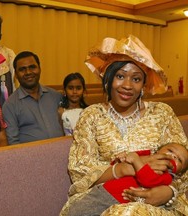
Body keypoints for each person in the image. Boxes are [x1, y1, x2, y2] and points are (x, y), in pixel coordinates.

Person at [60, 35, 188, 216]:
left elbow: (184, 166)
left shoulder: (162, 113)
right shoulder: (91, 115)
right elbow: (80, 171)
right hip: (103, 200)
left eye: (136, 79)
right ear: (108, 79)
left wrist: (168, 193)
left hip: (159, 205)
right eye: (120, 76)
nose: (127, 85)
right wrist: (123, 169)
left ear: (143, 84)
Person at [79, 143, 188, 214]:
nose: (173, 156)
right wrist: (121, 158)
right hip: (103, 190)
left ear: (179, 173)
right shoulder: (146, 154)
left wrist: (136, 161)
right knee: (79, 209)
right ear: (157, 150)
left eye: (179, 160)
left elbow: (148, 180)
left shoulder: (166, 177)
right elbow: (121, 161)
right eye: (171, 150)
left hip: (117, 201)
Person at [2, 51, 64, 145]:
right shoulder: (10, 105)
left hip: (62, 153)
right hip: (31, 158)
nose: (28, 72)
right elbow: (13, 142)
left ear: (39, 69)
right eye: (22, 69)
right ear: (16, 75)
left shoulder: (55, 96)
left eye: (32, 67)